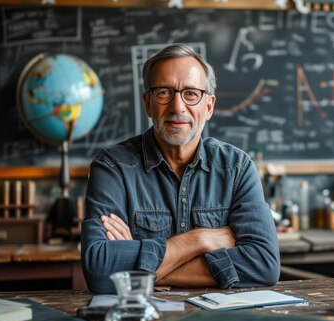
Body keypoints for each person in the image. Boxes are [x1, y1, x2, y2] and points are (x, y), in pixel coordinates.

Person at [81, 43, 280, 294]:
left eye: (191, 94)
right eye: (164, 92)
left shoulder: (237, 168)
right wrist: (201, 239)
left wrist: (143, 269)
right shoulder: (113, 168)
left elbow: (264, 265)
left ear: (208, 106)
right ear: (148, 103)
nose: (177, 107)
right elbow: (100, 272)